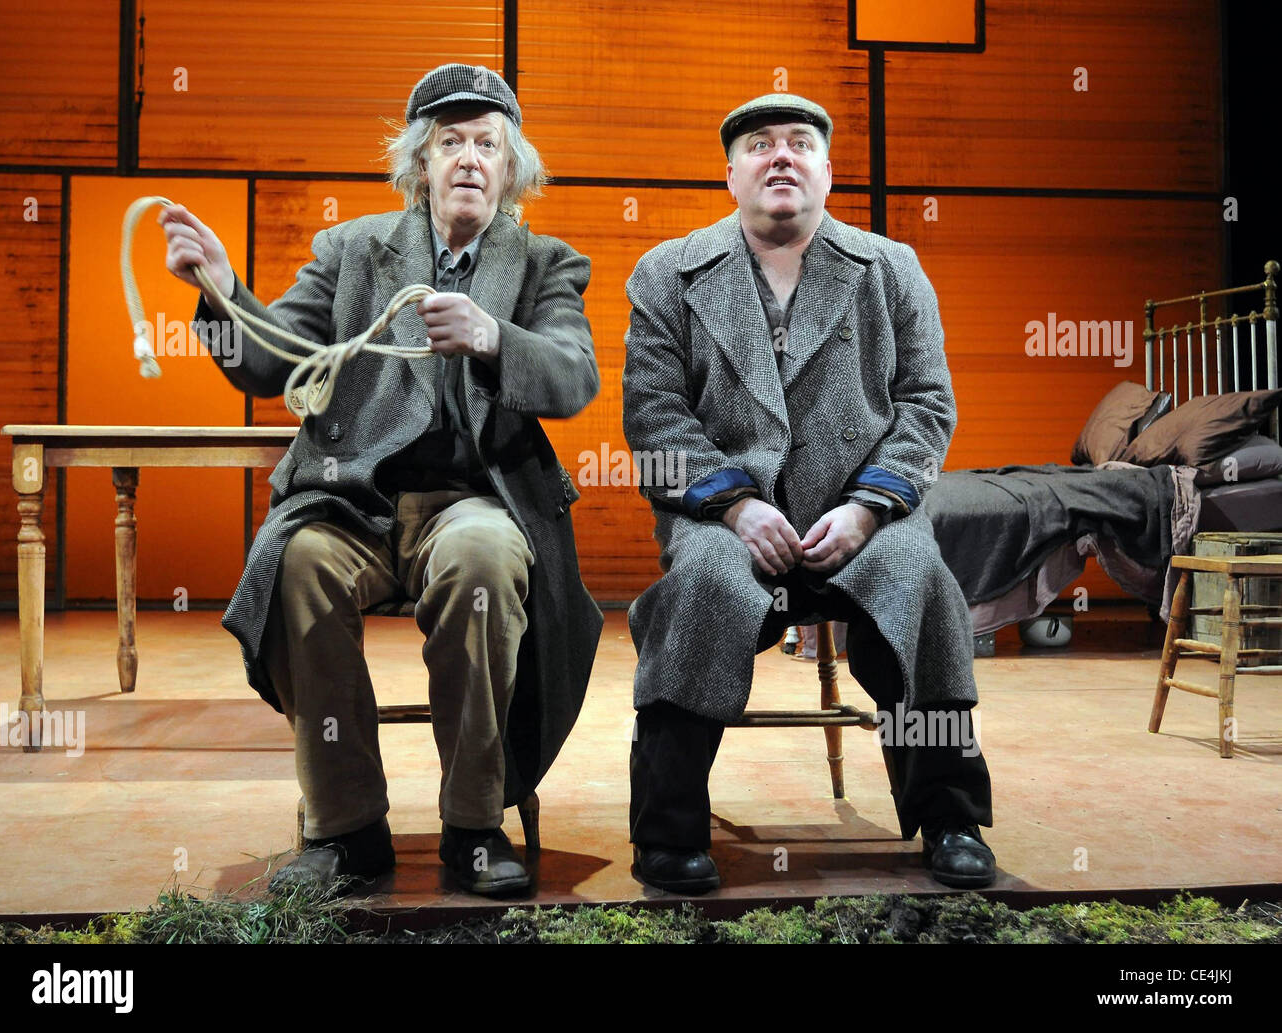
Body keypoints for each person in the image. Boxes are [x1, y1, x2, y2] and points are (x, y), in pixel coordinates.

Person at [160, 63, 602, 898]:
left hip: (476, 502)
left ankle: (473, 826)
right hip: (352, 501)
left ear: (511, 171)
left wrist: (493, 336)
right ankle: (348, 831)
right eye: (449, 143)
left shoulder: (546, 263)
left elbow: (576, 378)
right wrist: (221, 292)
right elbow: (268, 362)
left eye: (487, 144)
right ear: (419, 165)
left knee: (480, 560)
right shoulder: (351, 248)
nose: (469, 158)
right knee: (297, 562)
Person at [621, 93, 995, 894]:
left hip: (865, 513)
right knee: (700, 589)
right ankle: (669, 830)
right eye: (759, 145)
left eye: (800, 143)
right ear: (732, 174)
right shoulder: (668, 272)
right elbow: (653, 416)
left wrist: (867, 509)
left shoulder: (891, 267)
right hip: (725, 520)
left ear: (828, 170)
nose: (780, 155)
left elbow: (929, 403)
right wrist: (734, 503)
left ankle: (951, 814)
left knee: (921, 582)